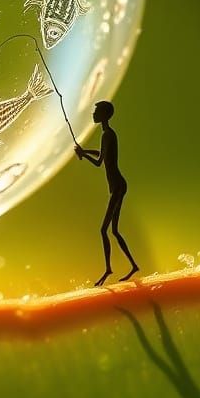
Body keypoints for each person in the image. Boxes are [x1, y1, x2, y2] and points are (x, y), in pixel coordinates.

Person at [75, 100, 140, 285]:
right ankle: (132, 266)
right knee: (114, 230)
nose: (93, 114)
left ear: (103, 114)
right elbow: (102, 155)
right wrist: (84, 151)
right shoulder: (107, 134)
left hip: (118, 185)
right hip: (117, 185)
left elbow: (99, 162)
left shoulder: (108, 135)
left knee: (105, 230)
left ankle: (109, 269)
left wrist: (83, 154)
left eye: (96, 111)